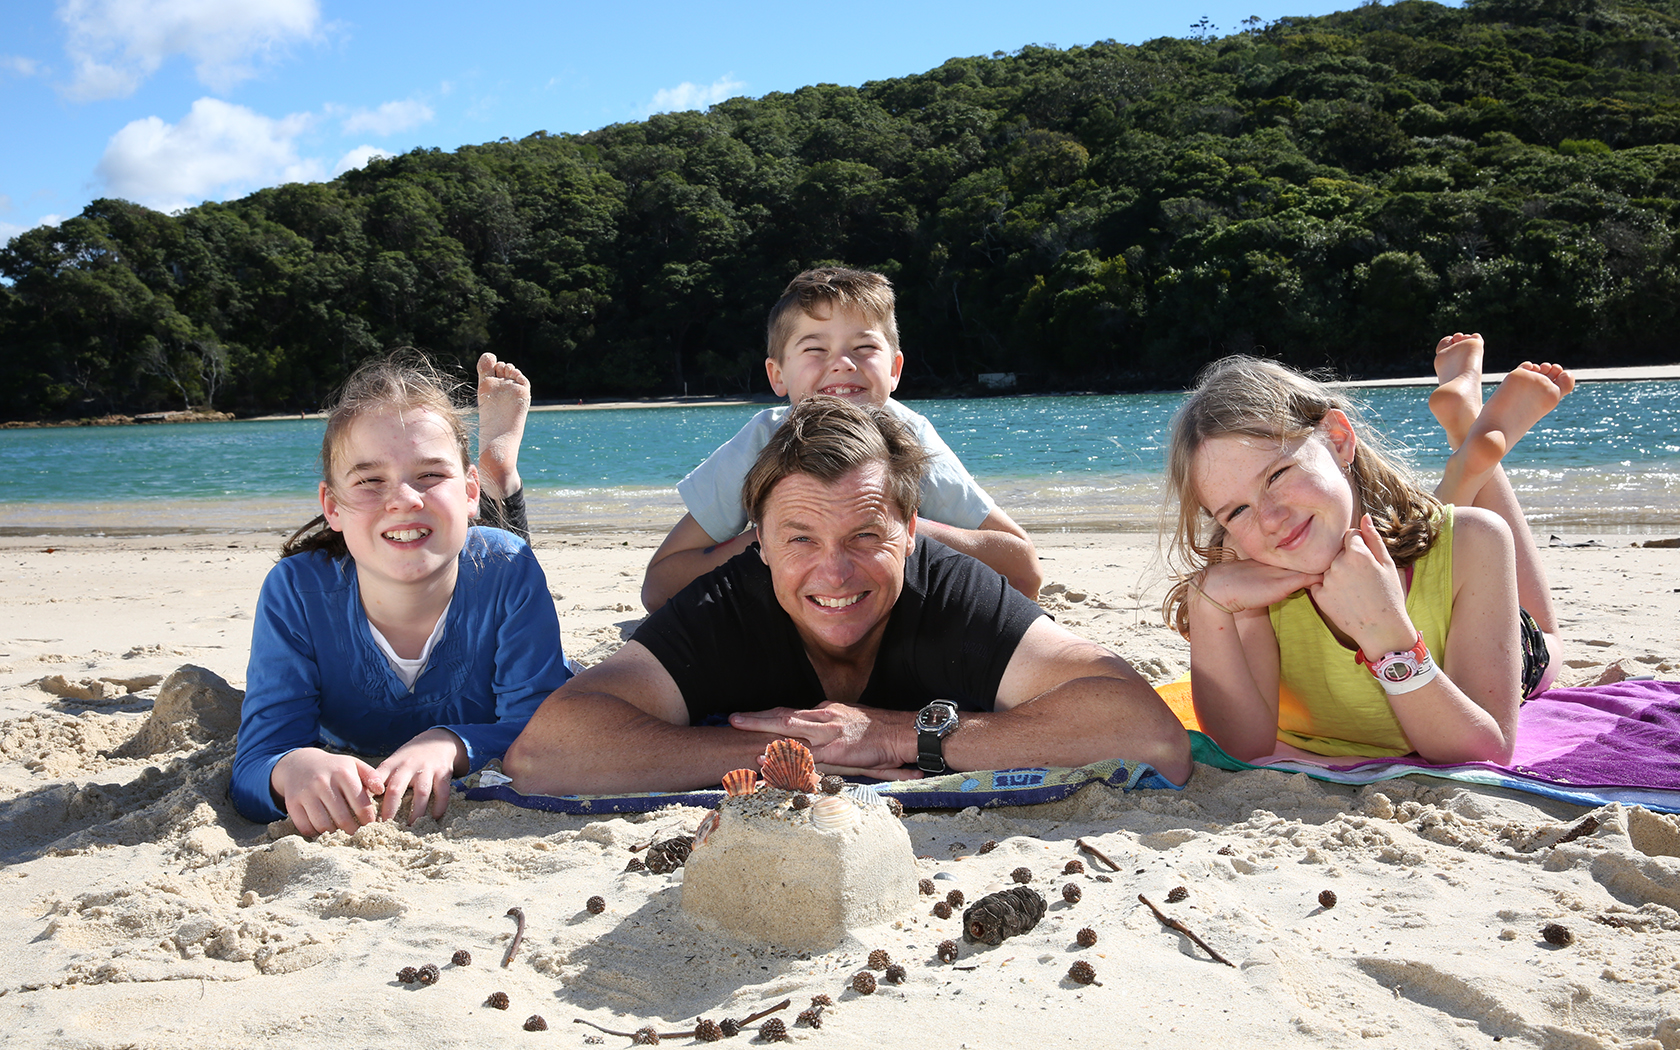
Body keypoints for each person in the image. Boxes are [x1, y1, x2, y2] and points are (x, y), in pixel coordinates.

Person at [504, 396, 1192, 796]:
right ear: (758, 544)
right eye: (800, 539)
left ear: (911, 532)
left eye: (865, 536)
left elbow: (1148, 732)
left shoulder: (954, 595)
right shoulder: (727, 608)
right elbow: (547, 752)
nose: (834, 574)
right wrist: (788, 755)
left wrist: (896, 736)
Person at [1160, 334, 1571, 765]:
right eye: (1237, 510)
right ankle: (1467, 450)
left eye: (1276, 475)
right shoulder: (1245, 567)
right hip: (1420, 555)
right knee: (1433, 542)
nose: (1270, 519)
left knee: (1547, 641)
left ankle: (1470, 442)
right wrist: (1206, 604)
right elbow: (1243, 747)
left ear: (1338, 439)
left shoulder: (1477, 540)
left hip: (1487, 623)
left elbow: (1484, 751)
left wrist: (1386, 636)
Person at [231, 351, 572, 834]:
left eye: (430, 474)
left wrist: (451, 744)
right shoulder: (297, 592)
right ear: (332, 506)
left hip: (493, 576)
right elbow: (255, 764)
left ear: (468, 491)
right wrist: (292, 769)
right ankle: (490, 474)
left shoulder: (509, 568)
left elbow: (546, 732)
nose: (404, 499)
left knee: (500, 551)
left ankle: (499, 475)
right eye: (370, 481)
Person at [639, 266, 1042, 612]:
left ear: (895, 369)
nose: (843, 363)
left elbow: (1024, 573)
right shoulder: (762, 442)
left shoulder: (912, 437)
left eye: (864, 347)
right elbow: (659, 588)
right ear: (777, 375)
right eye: (815, 349)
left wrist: (899, 528)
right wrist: (774, 541)